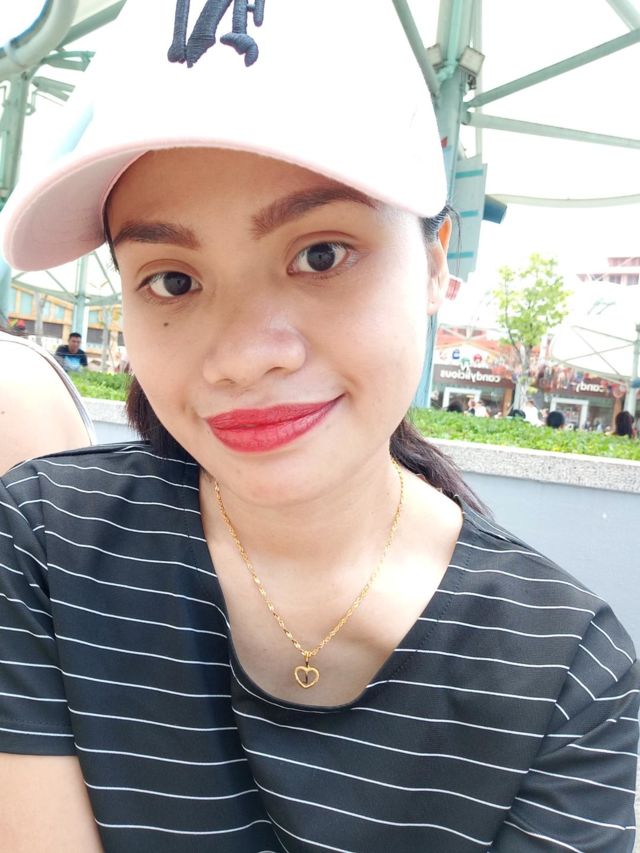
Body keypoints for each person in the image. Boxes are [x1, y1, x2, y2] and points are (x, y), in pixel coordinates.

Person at [0, 3, 638, 851]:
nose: (243, 356)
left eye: (321, 254)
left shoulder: (565, 674)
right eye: (173, 280)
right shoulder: (44, 542)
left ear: (435, 264)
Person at [0, 331, 95, 472]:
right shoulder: (59, 352)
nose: (75, 344)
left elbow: (85, 371)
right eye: (73, 341)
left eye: (78, 342)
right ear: (69, 341)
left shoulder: (81, 355)